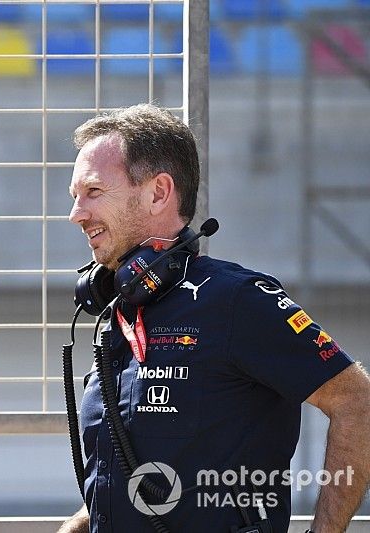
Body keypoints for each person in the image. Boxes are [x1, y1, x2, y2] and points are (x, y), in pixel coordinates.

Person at [58, 104, 370, 533]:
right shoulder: (120, 313)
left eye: (92, 192)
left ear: (157, 192)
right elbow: (132, 474)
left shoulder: (238, 300)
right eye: (74, 196)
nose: (76, 213)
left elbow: (359, 402)